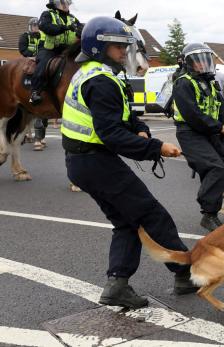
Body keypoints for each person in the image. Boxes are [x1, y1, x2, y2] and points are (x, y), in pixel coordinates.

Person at [62, 17, 198, 308]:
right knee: (152, 215)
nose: (124, 52)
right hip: (95, 161)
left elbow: (124, 116)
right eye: (117, 47)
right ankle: (187, 272)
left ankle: (117, 284)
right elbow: (111, 134)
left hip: (83, 162)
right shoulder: (101, 81)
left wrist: (141, 129)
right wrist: (157, 147)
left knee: (126, 222)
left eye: (125, 46)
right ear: (99, 48)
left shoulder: (94, 73)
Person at [172, 43, 224, 231]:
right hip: (190, 132)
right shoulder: (184, 82)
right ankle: (209, 214)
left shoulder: (211, 82)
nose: (203, 64)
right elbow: (192, 115)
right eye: (198, 61)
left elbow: (222, 110)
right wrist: (218, 127)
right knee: (215, 168)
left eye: (206, 60)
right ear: (189, 63)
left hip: (210, 132)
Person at [30, 0, 81, 105]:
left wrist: (82, 31)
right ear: (56, 4)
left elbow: (81, 28)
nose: (66, 6)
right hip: (50, 48)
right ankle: (35, 92)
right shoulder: (47, 14)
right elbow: (46, 27)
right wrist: (65, 27)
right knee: (43, 63)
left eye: (67, 3)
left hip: (67, 49)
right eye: (64, 3)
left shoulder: (72, 18)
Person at [19, 18, 43, 144]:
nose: (36, 28)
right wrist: (31, 55)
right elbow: (22, 49)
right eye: (34, 26)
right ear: (30, 27)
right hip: (28, 60)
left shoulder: (42, 36)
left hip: (40, 60)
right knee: (27, 73)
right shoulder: (25, 36)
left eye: (37, 26)